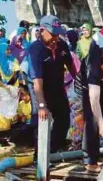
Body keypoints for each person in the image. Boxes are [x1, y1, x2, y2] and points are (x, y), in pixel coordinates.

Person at [29, 15, 77, 159]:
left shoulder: (62, 45)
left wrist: (81, 85)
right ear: (42, 30)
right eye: (53, 34)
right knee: (42, 122)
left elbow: (72, 67)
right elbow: (37, 82)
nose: (56, 37)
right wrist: (42, 105)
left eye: (57, 34)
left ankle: (53, 151)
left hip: (58, 87)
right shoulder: (35, 50)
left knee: (64, 120)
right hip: (40, 89)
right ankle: (38, 158)